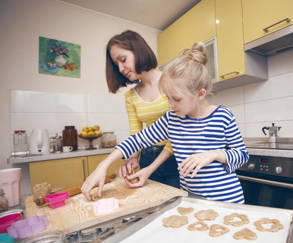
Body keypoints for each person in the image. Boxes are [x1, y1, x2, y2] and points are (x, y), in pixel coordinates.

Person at [82, 42, 249, 203]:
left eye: (176, 99)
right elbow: (137, 140)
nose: (170, 105)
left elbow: (242, 155)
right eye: (167, 98)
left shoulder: (223, 116)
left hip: (227, 200)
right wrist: (103, 165)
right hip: (191, 199)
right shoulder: (172, 119)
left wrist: (214, 154)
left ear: (200, 94)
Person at [106, 30, 179, 188]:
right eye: (116, 64)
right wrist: (132, 158)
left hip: (177, 156)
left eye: (123, 60)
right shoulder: (130, 96)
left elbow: (182, 128)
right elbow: (136, 134)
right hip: (148, 158)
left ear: (138, 50)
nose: (120, 68)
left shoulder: (173, 80)